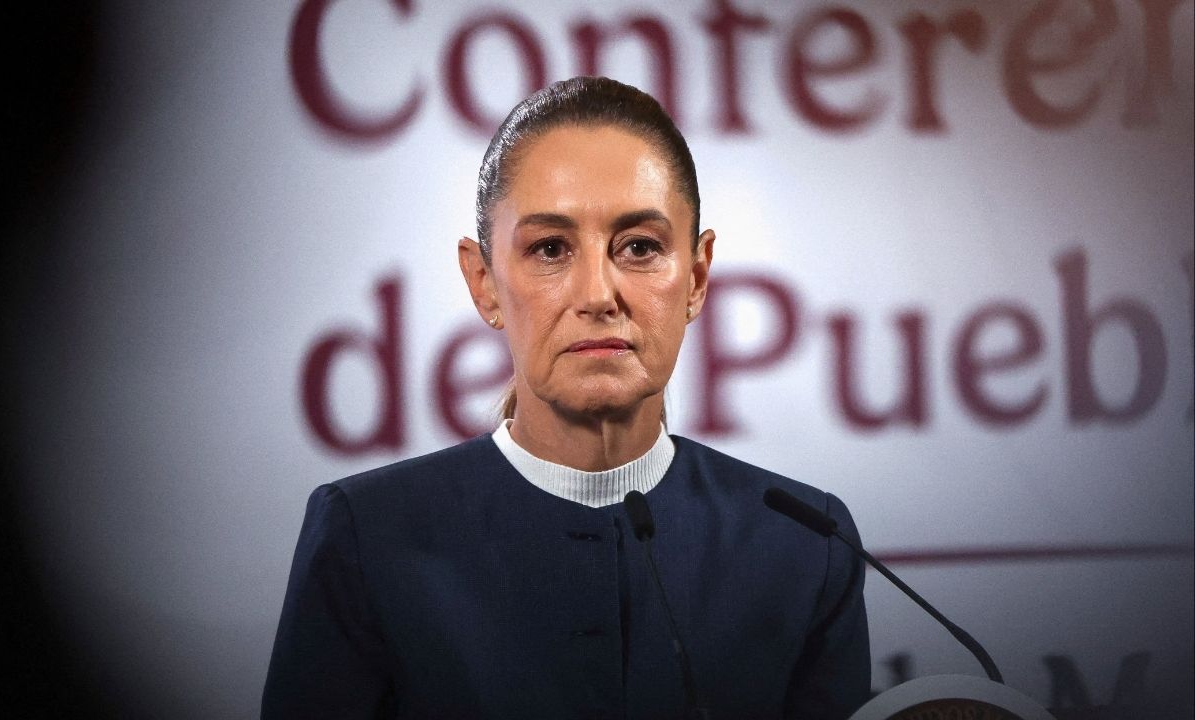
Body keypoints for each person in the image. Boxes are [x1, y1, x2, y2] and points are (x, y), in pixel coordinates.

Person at [262, 76, 869, 720]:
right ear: (484, 282)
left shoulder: (804, 544)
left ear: (695, 277)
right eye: (550, 249)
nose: (598, 295)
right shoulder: (368, 538)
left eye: (640, 247)